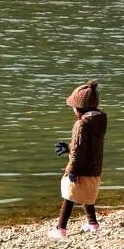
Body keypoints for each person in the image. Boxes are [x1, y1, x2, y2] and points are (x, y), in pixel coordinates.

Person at [49, 80, 108, 239]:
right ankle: (92, 224)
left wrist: (71, 170)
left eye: (74, 108)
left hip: (80, 168)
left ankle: (60, 228)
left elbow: (78, 150)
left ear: (80, 108)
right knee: (87, 196)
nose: (73, 110)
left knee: (69, 196)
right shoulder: (98, 122)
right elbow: (85, 147)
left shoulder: (80, 124)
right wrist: (68, 147)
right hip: (94, 169)